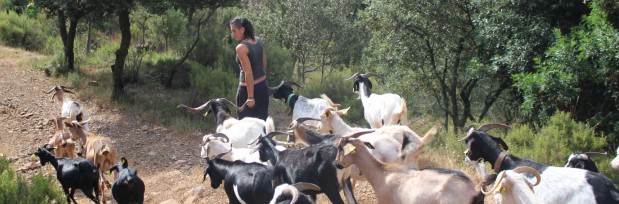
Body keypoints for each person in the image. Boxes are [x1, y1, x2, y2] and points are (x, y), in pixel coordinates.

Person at [230, 17, 269, 121]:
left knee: (244, 124)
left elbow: (248, 73)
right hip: (263, 87)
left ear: (242, 30)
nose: (232, 34)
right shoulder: (259, 41)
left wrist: (250, 97)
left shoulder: (241, 48)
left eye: (234, 31)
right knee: (262, 124)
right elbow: (264, 64)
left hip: (248, 91)